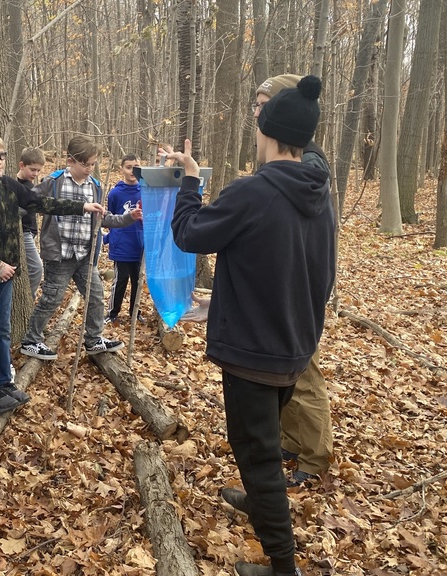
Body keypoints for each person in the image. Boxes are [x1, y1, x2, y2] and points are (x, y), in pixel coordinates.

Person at [168, 75, 334, 576]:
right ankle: (262, 503)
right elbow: (288, 270)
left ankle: (283, 566)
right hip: (291, 345)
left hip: (253, 356)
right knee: (260, 452)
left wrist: (191, 182)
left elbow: (189, 234)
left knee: (258, 456)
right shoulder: (318, 192)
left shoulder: (255, 191)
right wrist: (223, 300)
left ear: (266, 130)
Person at [0, 130, 105, 413]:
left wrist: (82, 207)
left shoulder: (7, 185)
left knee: (3, 329)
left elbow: (41, 203)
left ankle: (4, 381)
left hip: (6, 274)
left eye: (2, 155)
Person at [254, 74, 334, 487]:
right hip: (277, 287)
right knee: (283, 378)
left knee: (304, 377)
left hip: (298, 289)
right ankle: (290, 439)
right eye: (257, 104)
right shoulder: (277, 154)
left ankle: (316, 456)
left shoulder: (309, 162)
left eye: (265, 103)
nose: (258, 111)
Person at [19, 135, 138, 361]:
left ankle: (94, 340)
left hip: (85, 256)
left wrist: (129, 217)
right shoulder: (53, 182)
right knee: (51, 298)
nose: (89, 169)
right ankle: (31, 340)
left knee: (95, 296)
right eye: (85, 164)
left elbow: (103, 219)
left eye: (93, 164)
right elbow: (28, 202)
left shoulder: (95, 186)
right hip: (59, 255)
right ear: (70, 160)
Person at [104, 154, 145, 324]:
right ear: (121, 169)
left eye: (135, 167)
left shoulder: (145, 190)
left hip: (139, 244)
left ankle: (135, 312)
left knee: (138, 280)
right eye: (128, 167)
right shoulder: (115, 193)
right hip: (121, 245)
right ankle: (112, 313)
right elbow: (110, 218)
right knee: (120, 279)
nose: (132, 171)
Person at [16, 147, 46, 297]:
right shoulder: (15, 185)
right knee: (36, 268)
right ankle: (29, 298)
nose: (35, 174)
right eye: (32, 169)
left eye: (38, 171)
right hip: (23, 232)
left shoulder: (33, 187)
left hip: (31, 233)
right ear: (22, 165)